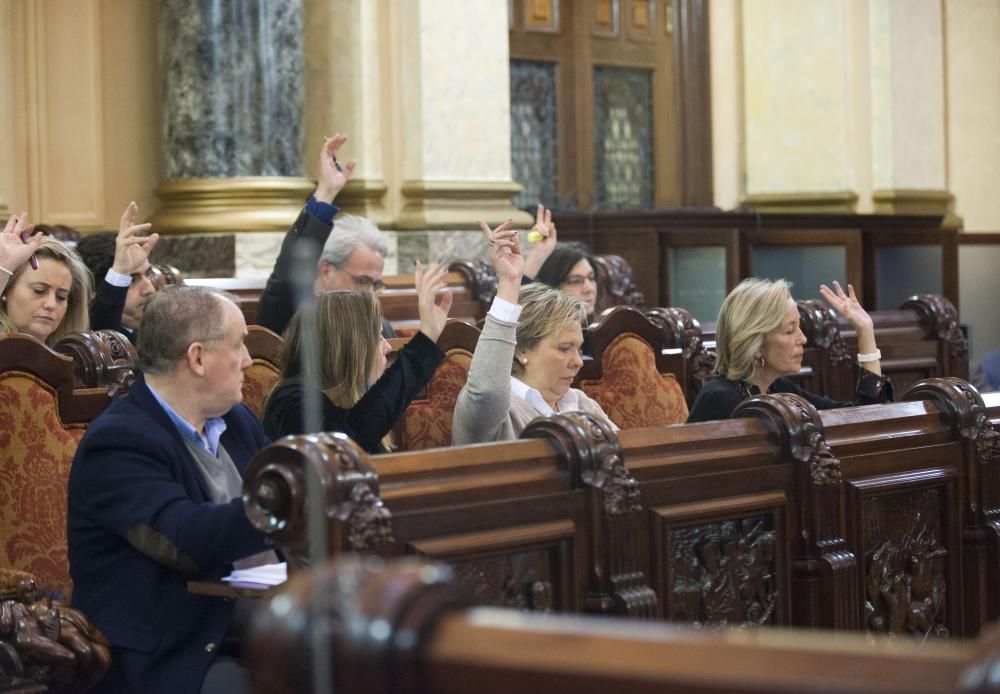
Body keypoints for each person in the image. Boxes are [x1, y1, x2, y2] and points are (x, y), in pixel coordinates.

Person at [68, 286, 273, 694]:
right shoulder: (118, 441)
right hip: (179, 650)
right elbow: (183, 539)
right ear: (197, 357)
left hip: (259, 625)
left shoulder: (238, 421)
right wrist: (286, 504)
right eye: (239, 345)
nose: (249, 361)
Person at [451, 220, 617, 444]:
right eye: (564, 348)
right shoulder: (499, 410)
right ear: (521, 350)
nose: (578, 362)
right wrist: (509, 282)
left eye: (578, 348)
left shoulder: (581, 402)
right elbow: (488, 390)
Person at [262, 261, 451, 453]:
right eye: (376, 338)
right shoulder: (289, 401)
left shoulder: (353, 397)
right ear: (347, 347)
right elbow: (344, 445)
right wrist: (426, 338)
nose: (387, 347)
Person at [686, 277, 892, 423]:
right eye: (789, 331)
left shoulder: (778, 389)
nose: (802, 339)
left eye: (799, 327)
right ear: (755, 344)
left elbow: (867, 418)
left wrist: (866, 332)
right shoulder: (719, 399)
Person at [256, 133, 396, 338]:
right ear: (327, 271)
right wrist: (326, 193)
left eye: (376, 285)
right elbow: (288, 274)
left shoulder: (379, 328)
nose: (370, 295)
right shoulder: (291, 317)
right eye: (362, 281)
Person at [75, 201, 160, 342]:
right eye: (132, 279)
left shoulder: (154, 332)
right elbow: (104, 332)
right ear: (92, 292)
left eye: (148, 274)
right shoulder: (95, 338)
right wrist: (121, 272)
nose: (149, 289)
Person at [0, 216, 93, 345]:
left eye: (61, 297)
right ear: (6, 291)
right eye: (39, 291)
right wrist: (3, 269)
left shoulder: (76, 356)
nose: (51, 305)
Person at [522, 204, 599, 317]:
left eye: (591, 278)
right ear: (552, 287)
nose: (589, 289)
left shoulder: (605, 326)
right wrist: (538, 255)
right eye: (575, 281)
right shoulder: (542, 330)